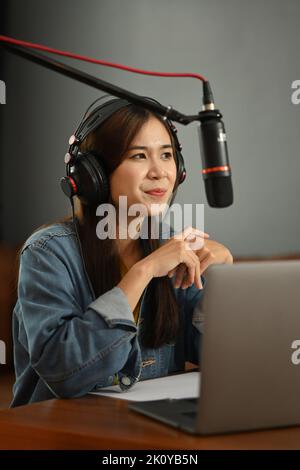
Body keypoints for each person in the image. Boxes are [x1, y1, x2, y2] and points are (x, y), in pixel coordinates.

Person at [11, 98, 233, 407]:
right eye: (139, 155)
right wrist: (141, 273)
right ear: (93, 174)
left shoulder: (174, 247)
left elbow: (219, 358)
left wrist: (223, 283)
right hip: (63, 433)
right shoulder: (47, 253)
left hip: (150, 431)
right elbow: (64, 373)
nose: (159, 172)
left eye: (167, 155)